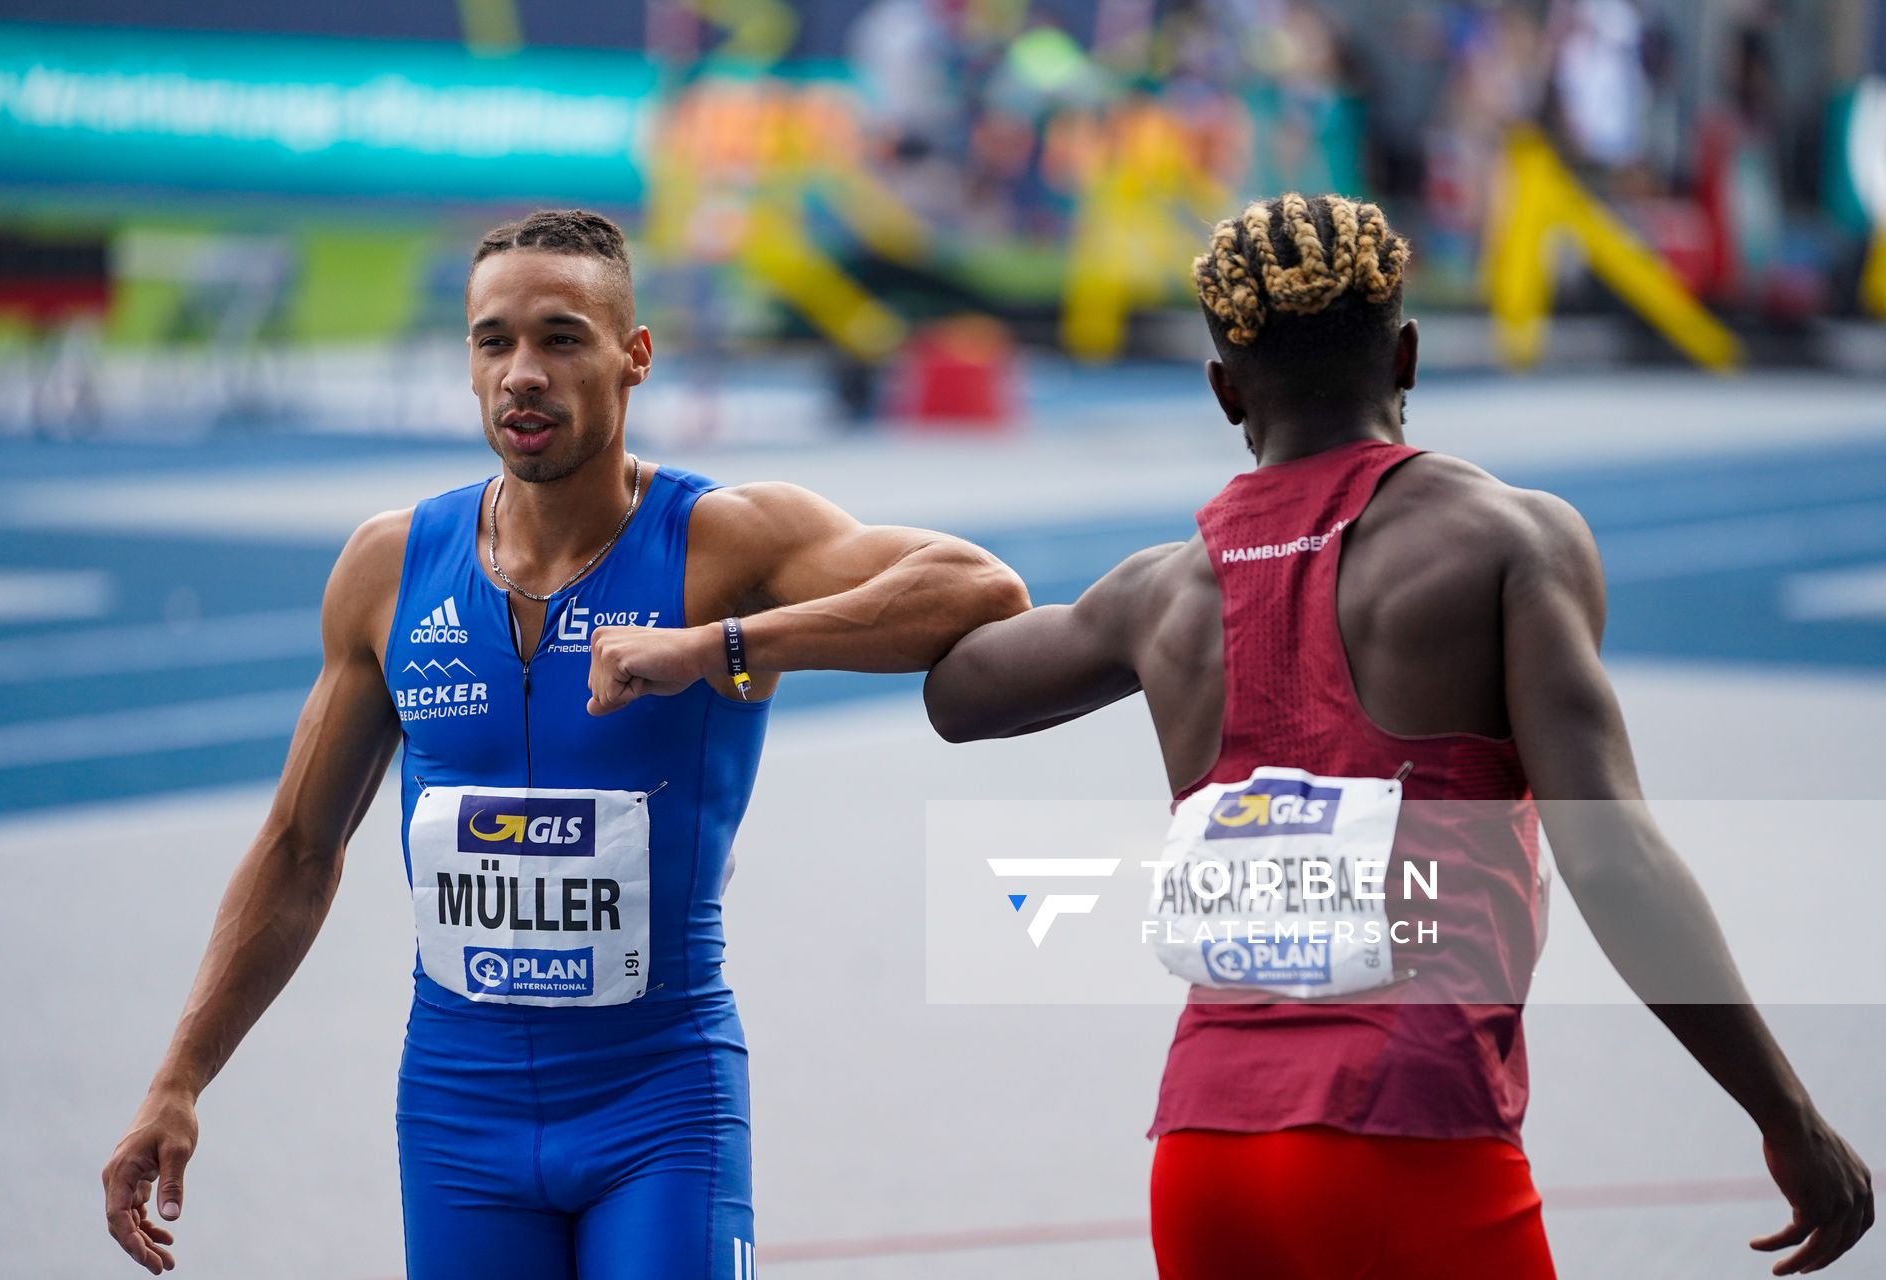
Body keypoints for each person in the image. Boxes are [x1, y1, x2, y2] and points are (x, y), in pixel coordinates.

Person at [922, 193, 1873, 1278]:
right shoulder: (1508, 541)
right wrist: (1786, 1112)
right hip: (1411, 1143)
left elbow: (959, 692)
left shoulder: (1156, 593)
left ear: (1224, 388)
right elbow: (1610, 855)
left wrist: (792, 605)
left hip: (1204, 1160)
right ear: (1409, 355)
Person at [101, 209, 1029, 1279]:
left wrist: (716, 643)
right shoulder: (391, 566)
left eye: (560, 338)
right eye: (494, 342)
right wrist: (177, 1078)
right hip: (458, 1113)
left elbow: (979, 586)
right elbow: (298, 849)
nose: (522, 374)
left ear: (634, 356)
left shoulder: (723, 542)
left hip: (660, 1105)